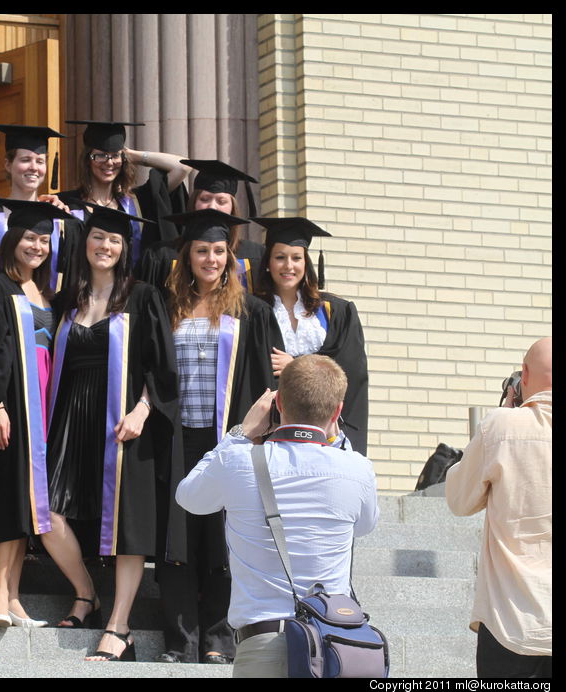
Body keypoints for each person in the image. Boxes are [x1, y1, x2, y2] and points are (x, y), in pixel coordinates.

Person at [176, 355, 379, 677]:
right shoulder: (357, 468)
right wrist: (337, 442)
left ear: (277, 403)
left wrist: (239, 433)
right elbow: (365, 526)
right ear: (338, 411)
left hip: (263, 644)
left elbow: (189, 498)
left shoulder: (238, 461)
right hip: (334, 646)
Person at [44, 203, 184, 661]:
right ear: (84, 244)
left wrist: (144, 410)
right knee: (44, 508)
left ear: (125, 249)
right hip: (68, 419)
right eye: (98, 238)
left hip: (122, 425)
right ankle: (86, 593)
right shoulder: (68, 298)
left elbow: (163, 367)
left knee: (128, 524)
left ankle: (119, 626)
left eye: (115, 241)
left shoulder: (142, 297)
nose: (105, 246)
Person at [154, 208, 278, 665]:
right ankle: (178, 641)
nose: (210, 258)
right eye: (202, 250)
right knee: (178, 538)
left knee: (223, 536)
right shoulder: (167, 306)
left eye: (219, 251)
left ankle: (218, 640)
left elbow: (265, 381)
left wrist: (259, 437)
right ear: (187, 255)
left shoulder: (251, 311)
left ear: (231, 256)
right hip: (175, 436)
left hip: (228, 437)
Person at [0, 199, 75, 629]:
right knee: (9, 497)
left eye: (45, 240)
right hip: (13, 401)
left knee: (30, 504)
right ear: (12, 240)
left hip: (43, 404)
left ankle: (14, 598)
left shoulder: (47, 292)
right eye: (30, 238)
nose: (38, 246)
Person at [445, 337, 551, 678]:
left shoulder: (503, 426)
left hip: (511, 621)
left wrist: (507, 411)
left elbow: (459, 500)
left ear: (524, 375)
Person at [252, 216, 369, 454]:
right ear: (268, 263)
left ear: (306, 263)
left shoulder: (335, 311)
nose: (288, 266)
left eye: (296, 258)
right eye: (280, 257)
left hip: (323, 426)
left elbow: (351, 369)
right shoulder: (254, 311)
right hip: (273, 426)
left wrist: (296, 366)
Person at [57, 120, 190, 275]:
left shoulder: (138, 202)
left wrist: (134, 156)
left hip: (129, 294)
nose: (109, 162)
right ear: (87, 159)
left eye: (115, 156)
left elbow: (183, 167)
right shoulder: (66, 203)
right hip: (79, 292)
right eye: (100, 156)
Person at [137, 160, 261, 292]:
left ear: (233, 208)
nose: (212, 206)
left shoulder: (255, 254)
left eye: (221, 201)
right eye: (205, 199)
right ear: (193, 203)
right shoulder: (161, 255)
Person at [0, 124, 75, 290]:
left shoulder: (59, 220)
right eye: (25, 160)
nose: (34, 167)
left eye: (40, 161)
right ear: (8, 164)